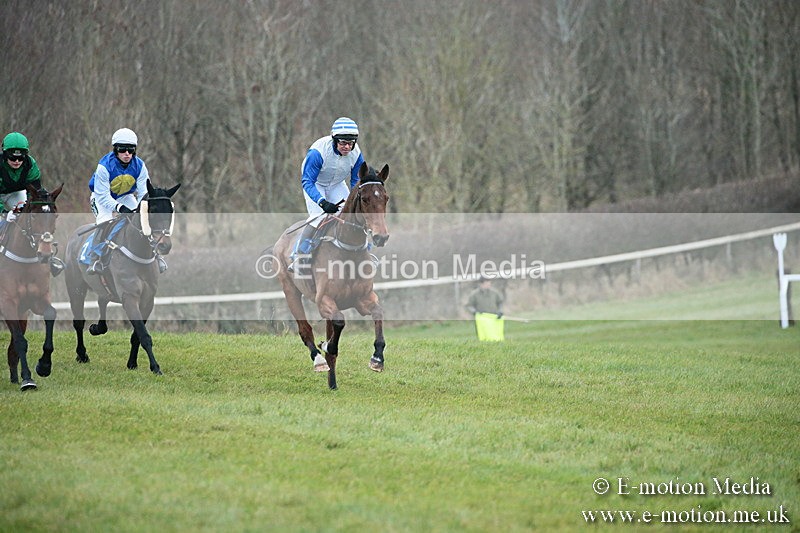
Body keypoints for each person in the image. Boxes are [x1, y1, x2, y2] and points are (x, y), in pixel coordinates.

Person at [287, 117, 366, 273]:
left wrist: (354, 202)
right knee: (319, 218)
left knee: (350, 215)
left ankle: (364, 250)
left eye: (351, 143)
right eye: (343, 142)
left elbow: (356, 180)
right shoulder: (318, 152)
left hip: (337, 184)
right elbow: (307, 182)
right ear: (334, 139)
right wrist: (322, 202)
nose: (347, 147)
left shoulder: (356, 154)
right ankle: (300, 255)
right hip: (315, 184)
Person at [86, 128, 166, 274]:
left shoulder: (140, 166)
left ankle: (156, 255)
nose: (127, 153)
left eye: (131, 149)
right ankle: (94, 259)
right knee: (105, 220)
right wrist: (119, 208)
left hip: (125, 196)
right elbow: (103, 196)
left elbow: (144, 193)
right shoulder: (104, 166)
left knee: (142, 218)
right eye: (122, 149)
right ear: (115, 150)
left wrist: (142, 207)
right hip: (101, 198)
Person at [1, 132, 44, 220]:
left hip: (15, 194)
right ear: (5, 154)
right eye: (13, 157)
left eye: (21, 157)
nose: (17, 161)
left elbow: (35, 192)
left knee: (24, 217)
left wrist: (27, 207)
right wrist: (4, 213)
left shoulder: (30, 165)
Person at [466, 277, 505, 341]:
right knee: (484, 337)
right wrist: (474, 311)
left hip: (494, 318)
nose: (488, 285)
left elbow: (500, 302)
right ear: (481, 284)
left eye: (489, 283)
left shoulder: (495, 293)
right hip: (482, 319)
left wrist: (500, 311)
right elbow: (469, 305)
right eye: (486, 283)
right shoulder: (474, 294)